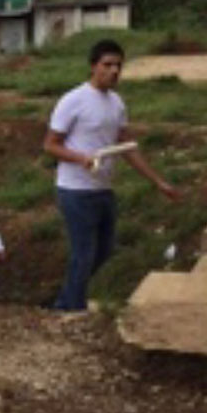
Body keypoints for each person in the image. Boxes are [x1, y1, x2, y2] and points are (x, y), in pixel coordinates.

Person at [44, 38, 180, 311]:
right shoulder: (73, 100)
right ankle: (70, 307)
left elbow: (127, 147)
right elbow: (50, 144)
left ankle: (66, 299)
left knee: (103, 251)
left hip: (103, 189)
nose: (114, 71)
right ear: (93, 66)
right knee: (84, 253)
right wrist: (80, 158)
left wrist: (157, 181)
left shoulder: (116, 103)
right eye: (107, 65)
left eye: (118, 65)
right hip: (75, 190)